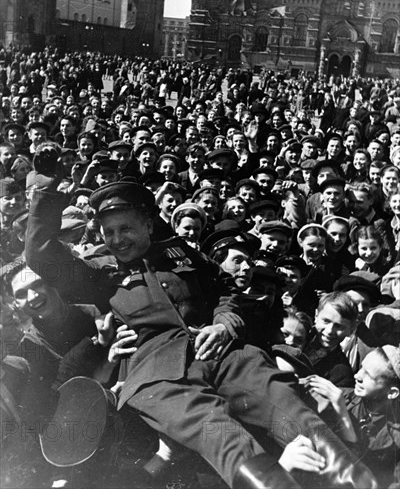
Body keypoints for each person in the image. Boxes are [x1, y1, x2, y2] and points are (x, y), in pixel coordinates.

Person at [25, 148, 377, 489]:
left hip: (224, 356)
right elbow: (40, 255)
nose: (117, 240)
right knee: (221, 436)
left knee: (289, 409)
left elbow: (226, 289)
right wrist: (44, 186)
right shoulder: (100, 274)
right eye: (109, 232)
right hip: (159, 379)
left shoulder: (181, 254)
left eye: (126, 228)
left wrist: (224, 323)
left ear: (148, 225)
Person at [304, 346, 400, 488]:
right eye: (361, 368)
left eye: (369, 375)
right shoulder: (342, 396)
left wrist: (341, 411)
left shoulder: (396, 434)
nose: (357, 375)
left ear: (392, 393)